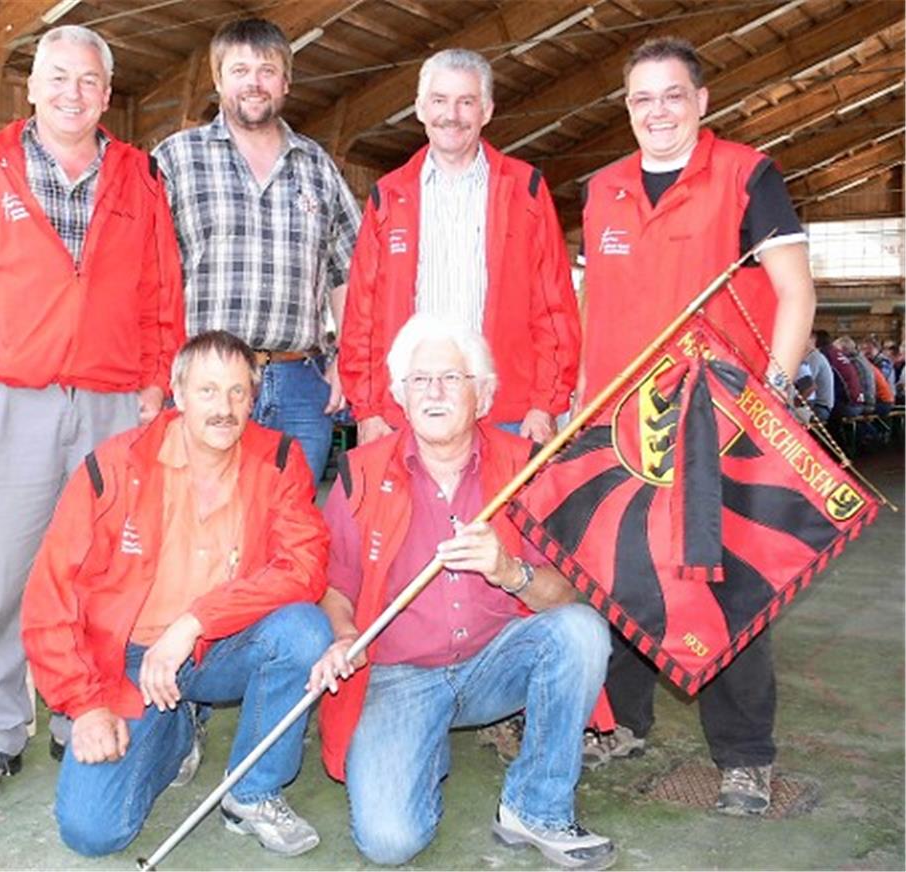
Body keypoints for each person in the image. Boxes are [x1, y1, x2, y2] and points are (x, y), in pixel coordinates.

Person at [0, 24, 185, 800]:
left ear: (107, 97)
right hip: (11, 399)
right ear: (32, 88)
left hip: (111, 404)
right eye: (59, 79)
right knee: (8, 575)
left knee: (102, 573)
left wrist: (153, 381)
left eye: (89, 83)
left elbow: (160, 291)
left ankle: (85, 711)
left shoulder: (139, 178)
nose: (73, 94)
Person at [578, 37, 817, 816]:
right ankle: (624, 722)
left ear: (702, 101)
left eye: (673, 95)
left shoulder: (748, 175)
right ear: (626, 107)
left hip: (719, 421)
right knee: (622, 572)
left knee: (726, 584)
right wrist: (586, 403)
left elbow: (795, 293)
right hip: (623, 422)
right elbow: (599, 309)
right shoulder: (605, 188)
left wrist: (771, 401)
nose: (658, 111)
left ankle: (745, 756)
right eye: (642, 98)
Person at [312, 315, 614, 869]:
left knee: (582, 633)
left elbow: (568, 595)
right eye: (419, 380)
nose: (434, 392)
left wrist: (508, 570)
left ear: (484, 394)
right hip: (399, 674)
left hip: (494, 664)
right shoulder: (359, 471)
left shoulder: (525, 468)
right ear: (400, 397)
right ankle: (420, 742)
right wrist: (345, 636)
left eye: (451, 378)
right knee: (388, 843)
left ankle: (536, 807)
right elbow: (335, 587)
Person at [21, 330, 332, 858]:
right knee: (92, 832)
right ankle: (177, 729)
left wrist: (194, 622)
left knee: (304, 630)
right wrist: (86, 705)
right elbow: (50, 596)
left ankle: (252, 790)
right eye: (208, 391)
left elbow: (305, 566)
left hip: (220, 646)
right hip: (129, 663)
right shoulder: (115, 467)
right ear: (178, 393)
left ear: (253, 399)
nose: (224, 408)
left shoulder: (279, 459)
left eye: (238, 393)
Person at [152, 17, 361, 483]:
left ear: (285, 82)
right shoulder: (176, 160)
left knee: (290, 535)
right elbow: (142, 272)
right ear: (218, 79)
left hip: (298, 383)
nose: (254, 83)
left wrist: (347, 359)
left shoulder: (318, 168)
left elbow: (351, 271)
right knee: (199, 528)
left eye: (266, 70)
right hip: (206, 382)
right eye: (239, 69)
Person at [341, 49, 579, 446]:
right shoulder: (388, 196)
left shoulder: (527, 191)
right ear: (419, 108)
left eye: (465, 102)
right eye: (439, 100)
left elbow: (554, 307)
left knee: (503, 511)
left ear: (486, 110)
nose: (451, 114)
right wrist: (366, 409)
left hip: (506, 413)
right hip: (407, 412)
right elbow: (361, 314)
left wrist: (546, 404)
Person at [801, 333, 834, 423]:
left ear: (812, 340)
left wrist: (796, 403)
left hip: (819, 408)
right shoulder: (815, 356)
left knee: (787, 414)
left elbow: (809, 386)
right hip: (821, 406)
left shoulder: (813, 358)